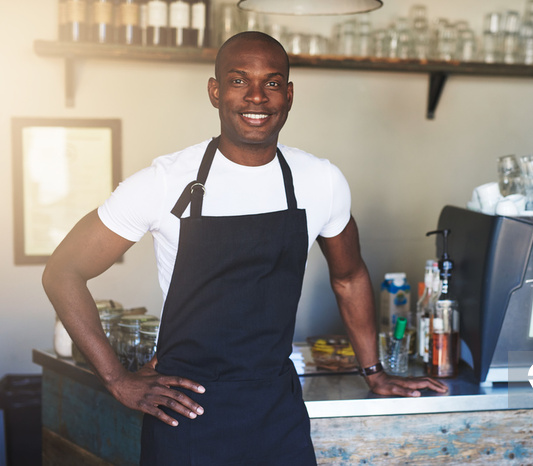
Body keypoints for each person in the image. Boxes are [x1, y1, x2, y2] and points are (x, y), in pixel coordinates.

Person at [42, 31, 447, 465]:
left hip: (276, 412)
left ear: (288, 95)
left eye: (272, 83)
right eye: (239, 81)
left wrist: (375, 372)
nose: (257, 97)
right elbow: (63, 271)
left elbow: (349, 277)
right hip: (185, 414)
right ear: (215, 91)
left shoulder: (320, 181)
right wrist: (117, 379)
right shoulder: (163, 182)